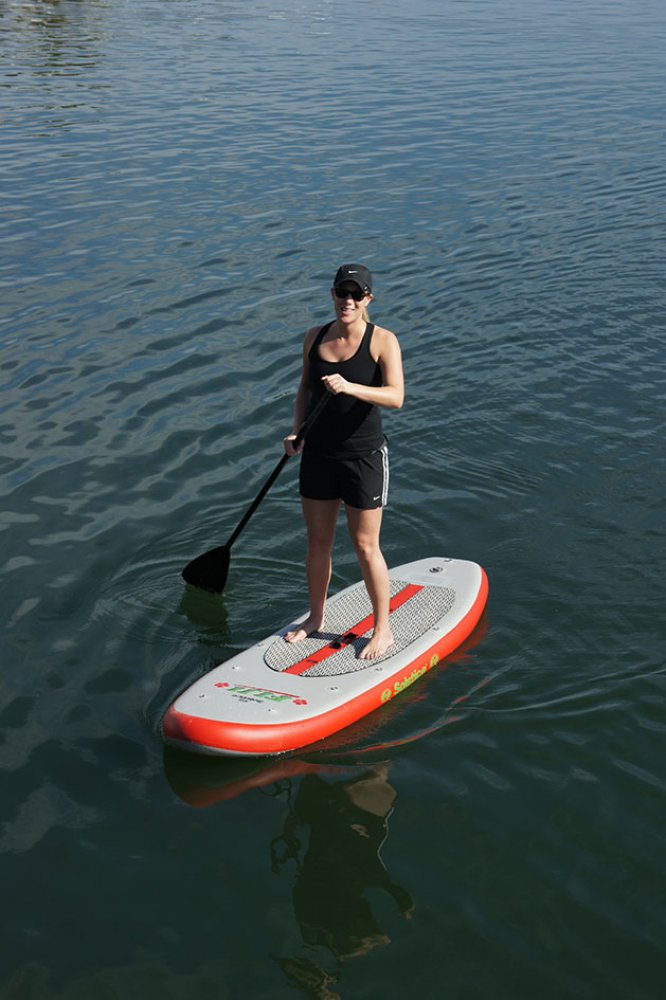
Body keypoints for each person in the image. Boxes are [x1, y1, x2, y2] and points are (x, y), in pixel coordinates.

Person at [283, 264, 404, 660]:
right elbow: (304, 389)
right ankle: (315, 617)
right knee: (318, 541)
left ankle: (382, 629)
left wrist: (351, 386)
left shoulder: (382, 340)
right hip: (318, 455)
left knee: (365, 545)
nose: (346, 301)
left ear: (368, 298)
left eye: (355, 294)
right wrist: (297, 432)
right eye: (340, 293)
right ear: (332, 294)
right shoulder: (313, 337)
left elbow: (396, 396)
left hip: (363, 457)